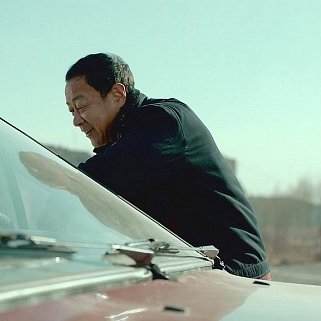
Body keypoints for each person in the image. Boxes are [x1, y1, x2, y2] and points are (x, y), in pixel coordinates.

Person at [64, 53, 271, 280]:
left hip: (234, 273)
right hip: (189, 269)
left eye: (81, 106)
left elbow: (99, 178)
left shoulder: (163, 121)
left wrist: (53, 175)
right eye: (71, 111)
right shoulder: (125, 138)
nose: (76, 120)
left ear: (117, 94)